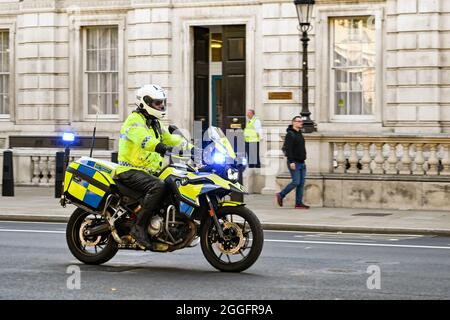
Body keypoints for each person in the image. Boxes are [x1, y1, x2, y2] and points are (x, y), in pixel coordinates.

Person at [116, 84, 188, 248]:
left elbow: (171, 139)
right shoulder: (134, 121)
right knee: (158, 186)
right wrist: (162, 147)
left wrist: (194, 148)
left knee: (172, 185)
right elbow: (144, 140)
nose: (161, 106)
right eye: (157, 103)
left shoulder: (154, 124)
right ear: (145, 102)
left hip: (148, 172)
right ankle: (139, 227)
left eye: (162, 103)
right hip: (129, 171)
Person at [276, 116, 310, 209]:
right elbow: (288, 149)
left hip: (302, 162)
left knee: (301, 183)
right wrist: (291, 161)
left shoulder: (299, 133)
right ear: (293, 122)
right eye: (298, 121)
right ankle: (281, 195)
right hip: (294, 162)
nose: (300, 123)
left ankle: (298, 203)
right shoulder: (290, 134)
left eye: (301, 122)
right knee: (296, 182)